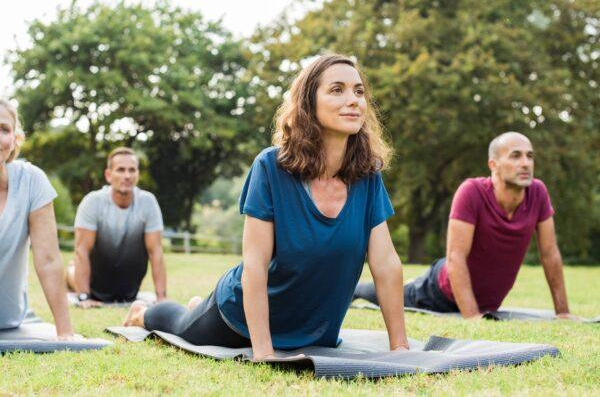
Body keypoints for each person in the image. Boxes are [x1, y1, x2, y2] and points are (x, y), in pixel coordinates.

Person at [123, 54, 410, 359]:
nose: (353, 100)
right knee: (180, 324)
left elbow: (386, 264)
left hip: (312, 329)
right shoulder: (271, 167)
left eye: (359, 91)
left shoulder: (367, 176)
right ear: (308, 103)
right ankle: (144, 312)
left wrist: (401, 347)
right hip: (239, 321)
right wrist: (263, 351)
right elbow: (255, 265)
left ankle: (196, 304)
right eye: (337, 90)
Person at [354, 132, 572, 319]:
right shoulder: (472, 191)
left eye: (529, 156)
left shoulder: (538, 192)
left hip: (487, 302)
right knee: (392, 295)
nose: (525, 163)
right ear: (493, 164)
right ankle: (355, 289)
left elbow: (550, 253)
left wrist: (563, 313)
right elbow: (456, 257)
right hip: (440, 292)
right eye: (515, 156)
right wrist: (472, 317)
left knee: (400, 289)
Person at [0, 98, 74, 337]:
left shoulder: (31, 181)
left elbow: (49, 259)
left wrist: (65, 333)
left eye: (3, 129)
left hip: (7, 318)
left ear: (14, 140)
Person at [66, 147, 167, 308]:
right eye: (120, 170)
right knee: (72, 270)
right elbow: (82, 250)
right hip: (94, 283)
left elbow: (156, 251)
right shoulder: (92, 202)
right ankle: (71, 272)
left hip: (127, 288)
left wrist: (161, 297)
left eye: (132, 170)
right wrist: (84, 297)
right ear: (108, 175)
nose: (127, 175)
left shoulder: (148, 202)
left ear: (137, 174)